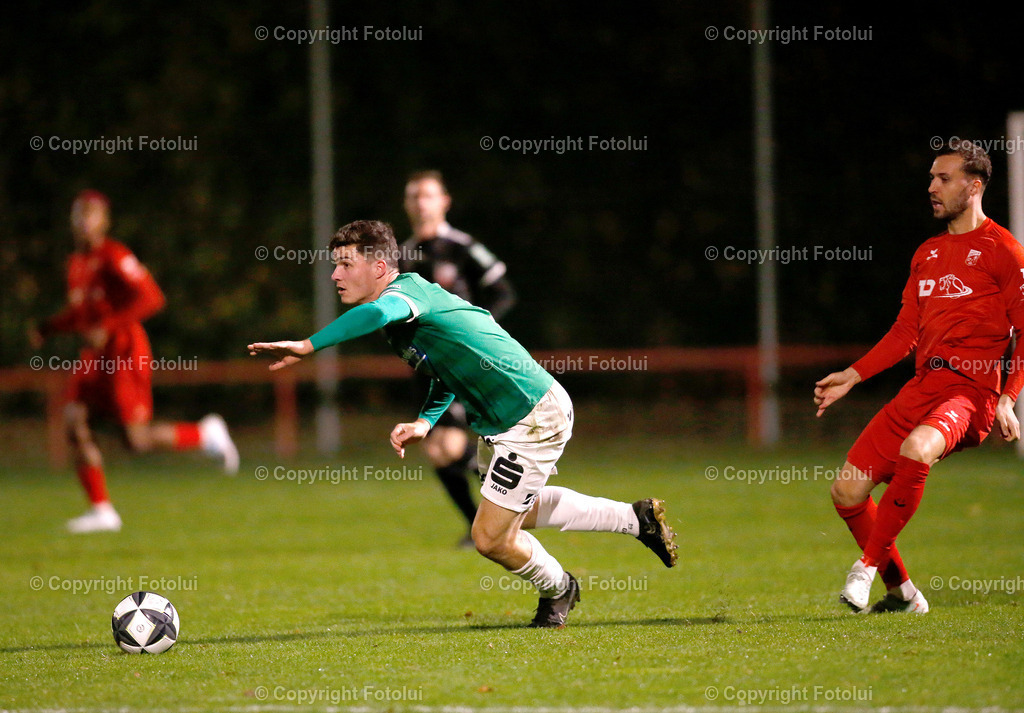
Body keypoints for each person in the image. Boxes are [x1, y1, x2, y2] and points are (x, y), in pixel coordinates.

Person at [249, 220, 677, 627]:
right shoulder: (406, 315)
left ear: (379, 267)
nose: (335, 275)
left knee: (489, 538)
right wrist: (424, 421)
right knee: (517, 517)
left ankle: (559, 588)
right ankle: (635, 520)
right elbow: (447, 372)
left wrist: (309, 345)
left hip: (530, 413)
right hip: (502, 419)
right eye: (335, 265)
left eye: (345, 264)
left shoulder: (402, 297)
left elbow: (377, 314)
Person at [814, 140, 1024, 614]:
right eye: (931, 177)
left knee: (917, 449)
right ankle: (904, 595)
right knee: (846, 491)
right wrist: (853, 374)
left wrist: (1009, 398)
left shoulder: (1004, 250)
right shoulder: (927, 254)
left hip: (971, 397)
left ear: (974, 186)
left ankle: (864, 569)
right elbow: (905, 331)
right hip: (921, 389)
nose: (931, 187)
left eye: (943, 179)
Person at [30, 190, 239, 533]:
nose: (84, 220)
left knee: (135, 440)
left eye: (91, 214)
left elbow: (152, 297)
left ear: (104, 221)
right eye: (78, 213)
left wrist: (108, 326)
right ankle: (102, 510)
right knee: (73, 418)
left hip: (125, 352)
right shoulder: (77, 263)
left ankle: (204, 434)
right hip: (96, 357)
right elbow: (84, 313)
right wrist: (49, 328)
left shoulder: (114, 255)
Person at [400, 170, 517, 545]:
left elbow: (503, 292)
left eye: (428, 195)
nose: (421, 203)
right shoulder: (402, 254)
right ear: (406, 204)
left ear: (444, 201)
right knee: (435, 448)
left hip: (463, 363)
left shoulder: (463, 247)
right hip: (427, 364)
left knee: (448, 444)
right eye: (414, 196)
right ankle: (478, 525)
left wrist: (476, 334)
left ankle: (514, 493)